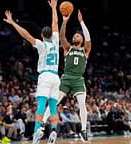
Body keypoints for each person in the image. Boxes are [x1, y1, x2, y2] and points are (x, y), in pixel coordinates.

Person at [3, 0, 60, 143]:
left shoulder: (41, 44)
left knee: (41, 104)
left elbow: (26, 35)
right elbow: (55, 24)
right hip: (56, 77)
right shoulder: (56, 41)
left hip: (45, 75)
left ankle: (37, 132)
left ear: (42, 35)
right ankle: (53, 131)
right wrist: (54, 8)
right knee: (53, 107)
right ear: (51, 35)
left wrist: (13, 23)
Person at [43, 10, 91, 143]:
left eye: (78, 36)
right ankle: (41, 123)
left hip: (78, 79)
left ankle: (83, 130)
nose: (76, 37)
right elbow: (62, 35)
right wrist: (64, 21)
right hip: (66, 77)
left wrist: (81, 22)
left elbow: (88, 38)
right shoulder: (67, 48)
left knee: (82, 103)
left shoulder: (86, 49)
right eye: (75, 36)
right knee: (55, 101)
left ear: (81, 40)